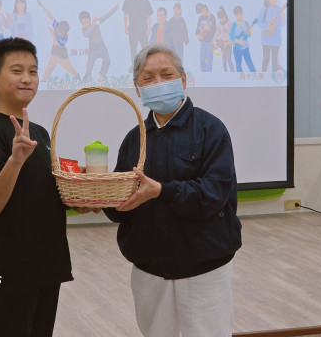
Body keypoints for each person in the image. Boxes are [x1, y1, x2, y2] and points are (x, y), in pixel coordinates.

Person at [104, 43, 242, 337]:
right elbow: (121, 209)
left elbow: (213, 195)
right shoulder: (134, 139)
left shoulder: (211, 129)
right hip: (149, 270)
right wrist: (101, 197)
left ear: (183, 80)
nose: (158, 84)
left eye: (166, 75)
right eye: (148, 78)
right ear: (137, 89)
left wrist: (162, 191)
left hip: (205, 268)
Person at [0, 37, 73, 336]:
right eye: (17, 70)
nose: (27, 78)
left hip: (47, 261)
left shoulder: (39, 133)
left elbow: (44, 195)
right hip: (11, 267)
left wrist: (81, 196)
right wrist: (15, 160)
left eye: (33, 71)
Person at [37, 0, 81, 82]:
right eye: (58, 31)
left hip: (62, 56)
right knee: (49, 68)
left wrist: (52, 33)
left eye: (60, 32)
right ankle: (44, 80)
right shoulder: (57, 26)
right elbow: (49, 15)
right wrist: (42, 5)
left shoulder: (65, 38)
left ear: (64, 33)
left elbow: (56, 44)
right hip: (54, 53)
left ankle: (77, 76)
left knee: (69, 68)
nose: (58, 32)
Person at [78, 2, 119, 81]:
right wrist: (93, 24)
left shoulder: (96, 23)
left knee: (107, 60)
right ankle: (87, 75)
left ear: (90, 20)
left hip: (101, 46)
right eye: (83, 23)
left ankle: (102, 73)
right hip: (92, 48)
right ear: (81, 24)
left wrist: (115, 9)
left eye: (87, 21)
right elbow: (86, 34)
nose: (86, 24)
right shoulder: (84, 29)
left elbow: (105, 16)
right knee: (89, 64)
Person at [122, 0, 153, 72]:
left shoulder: (145, 1)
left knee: (145, 48)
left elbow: (149, 16)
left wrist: (149, 28)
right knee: (133, 48)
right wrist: (125, 27)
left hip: (143, 29)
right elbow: (125, 14)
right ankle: (134, 65)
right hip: (132, 29)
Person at [258, 0, 287, 73]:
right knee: (266, 59)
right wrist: (268, 27)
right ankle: (263, 76)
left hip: (276, 40)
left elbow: (282, 24)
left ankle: (274, 77)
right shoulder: (264, 10)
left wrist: (283, 17)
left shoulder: (279, 9)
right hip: (266, 40)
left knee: (275, 60)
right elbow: (260, 23)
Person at [230, 5, 256, 73]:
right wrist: (238, 41)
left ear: (242, 13)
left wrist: (249, 32)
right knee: (238, 65)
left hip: (245, 47)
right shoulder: (234, 24)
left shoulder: (246, 23)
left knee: (249, 63)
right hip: (236, 48)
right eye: (238, 14)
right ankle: (240, 77)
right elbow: (231, 37)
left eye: (241, 13)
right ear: (235, 15)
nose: (240, 16)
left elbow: (248, 35)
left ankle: (255, 75)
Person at [195, 2, 216, 72]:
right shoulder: (200, 18)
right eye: (199, 13)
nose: (201, 14)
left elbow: (214, 30)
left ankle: (208, 75)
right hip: (202, 42)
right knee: (202, 59)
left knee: (209, 59)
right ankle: (203, 75)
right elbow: (197, 29)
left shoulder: (211, 17)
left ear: (204, 8)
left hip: (209, 42)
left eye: (201, 12)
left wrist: (209, 29)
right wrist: (197, 35)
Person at [213, 5, 234, 72]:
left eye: (222, 17)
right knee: (224, 60)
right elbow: (216, 34)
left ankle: (233, 72)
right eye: (220, 18)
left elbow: (232, 35)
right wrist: (214, 43)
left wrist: (228, 42)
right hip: (222, 45)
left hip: (229, 45)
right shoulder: (219, 25)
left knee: (228, 59)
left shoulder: (230, 23)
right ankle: (225, 73)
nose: (221, 19)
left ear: (225, 15)